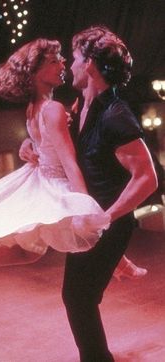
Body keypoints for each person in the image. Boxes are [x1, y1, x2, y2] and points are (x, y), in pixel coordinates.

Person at [0, 38, 110, 289]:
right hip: (55, 185)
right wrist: (84, 205)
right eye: (53, 61)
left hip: (41, 179)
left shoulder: (33, 109)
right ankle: (123, 265)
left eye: (60, 58)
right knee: (90, 232)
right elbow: (69, 163)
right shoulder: (52, 109)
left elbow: (44, 141)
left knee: (30, 252)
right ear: (35, 73)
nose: (62, 63)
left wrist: (29, 144)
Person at [60, 26, 158, 361]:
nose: (69, 65)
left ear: (88, 64)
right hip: (92, 223)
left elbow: (147, 177)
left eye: (74, 58)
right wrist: (30, 146)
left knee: (79, 297)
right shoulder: (82, 107)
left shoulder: (116, 115)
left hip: (109, 225)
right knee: (78, 297)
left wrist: (108, 215)